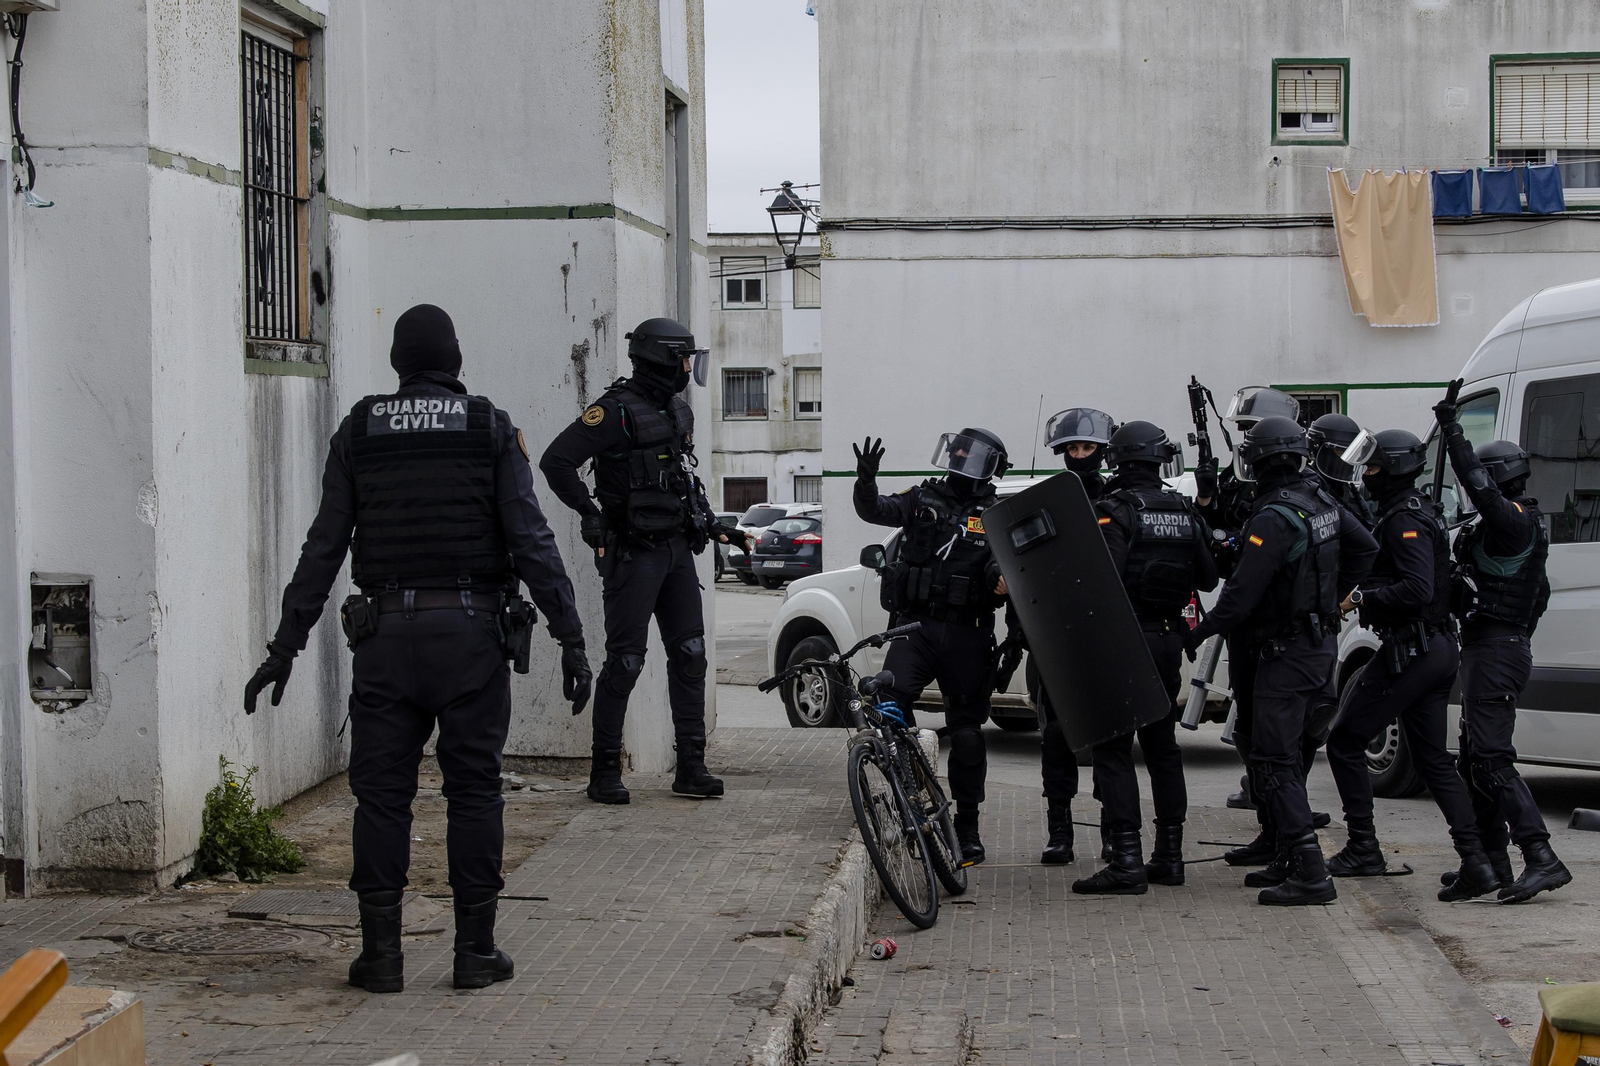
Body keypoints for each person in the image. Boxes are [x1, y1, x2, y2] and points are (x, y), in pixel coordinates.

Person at [244, 303, 592, 993]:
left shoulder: (360, 431)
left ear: (400, 364)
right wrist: (572, 637)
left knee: (380, 798)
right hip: (470, 639)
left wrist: (285, 645)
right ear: (456, 361)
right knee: (472, 792)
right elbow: (531, 540)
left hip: (385, 641)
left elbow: (323, 548)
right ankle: (474, 953)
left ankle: (381, 958)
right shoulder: (488, 427)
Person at [539, 318, 746, 806]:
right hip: (634, 553)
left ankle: (691, 766)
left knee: (691, 653)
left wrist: (714, 523)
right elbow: (556, 461)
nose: (687, 369)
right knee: (627, 661)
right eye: (683, 359)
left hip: (676, 550)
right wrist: (590, 515)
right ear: (662, 359)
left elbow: (682, 480)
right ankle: (604, 771)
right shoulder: (613, 412)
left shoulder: (674, 411)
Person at [1183, 416, 1377, 906]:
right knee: (1282, 752)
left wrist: (1196, 633)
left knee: (1272, 761)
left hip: (1287, 653)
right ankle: (1285, 852)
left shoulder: (1274, 516)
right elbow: (1365, 548)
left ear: (1259, 460)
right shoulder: (1320, 501)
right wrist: (1326, 598)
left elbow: (1241, 596)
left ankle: (1311, 872)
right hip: (1316, 646)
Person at [1323, 429, 1500, 902]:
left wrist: (1360, 597)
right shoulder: (1416, 510)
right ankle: (1477, 863)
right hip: (1434, 649)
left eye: (1375, 468)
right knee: (1432, 760)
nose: (1368, 476)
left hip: (1415, 650)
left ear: (1396, 469)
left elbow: (1418, 590)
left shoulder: (1405, 520)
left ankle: (1363, 847)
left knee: (1343, 740)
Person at [1436, 390, 1571, 903]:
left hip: (1495, 651)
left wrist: (1452, 432)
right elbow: (1540, 594)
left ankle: (1541, 856)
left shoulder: (1512, 521)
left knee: (1491, 758)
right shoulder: (1522, 524)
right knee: (1474, 759)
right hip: (1494, 646)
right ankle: (1490, 864)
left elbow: (1478, 488)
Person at [1072, 422, 1218, 895]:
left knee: (1113, 750)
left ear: (1117, 459)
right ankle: (1170, 857)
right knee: (1162, 746)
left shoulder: (1115, 511)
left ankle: (1127, 863)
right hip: (1168, 640)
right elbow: (1209, 577)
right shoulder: (1182, 508)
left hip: (1126, 640)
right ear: (1159, 460)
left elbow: (1104, 578)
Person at [854, 429, 1010, 866]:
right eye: (957, 450)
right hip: (916, 628)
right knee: (887, 707)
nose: (961, 458)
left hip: (969, 632)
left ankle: (968, 829)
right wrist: (865, 480)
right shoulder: (922, 497)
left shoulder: (997, 511)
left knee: (966, 734)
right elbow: (874, 509)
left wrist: (1001, 578)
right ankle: (908, 792)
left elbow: (1007, 560)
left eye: (971, 453)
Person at [1019, 407, 1115, 864]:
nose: (1080, 455)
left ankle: (1115, 830)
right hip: (1054, 632)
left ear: (1102, 451)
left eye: (1088, 447)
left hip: (1103, 631)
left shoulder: (1116, 499)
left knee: (1110, 738)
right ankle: (1061, 830)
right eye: (1073, 448)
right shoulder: (1043, 499)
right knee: (1056, 737)